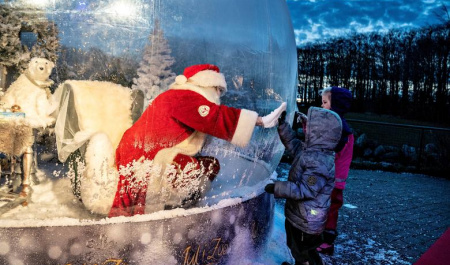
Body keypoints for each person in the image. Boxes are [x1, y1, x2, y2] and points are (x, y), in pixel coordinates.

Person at [109, 64, 286, 217]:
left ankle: (161, 209)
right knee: (136, 194)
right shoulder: (185, 97)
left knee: (208, 165)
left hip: (138, 147)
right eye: (217, 89)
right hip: (143, 151)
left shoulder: (179, 96)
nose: (218, 95)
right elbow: (214, 117)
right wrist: (260, 121)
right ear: (206, 84)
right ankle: (142, 222)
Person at [265, 106, 342, 265]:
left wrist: (277, 187)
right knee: (298, 248)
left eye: (309, 127)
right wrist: (283, 126)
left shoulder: (319, 163)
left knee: (302, 251)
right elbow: (293, 144)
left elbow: (305, 190)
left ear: (320, 135)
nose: (304, 128)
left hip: (306, 221)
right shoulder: (310, 152)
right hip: (300, 215)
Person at [316, 86, 354, 255]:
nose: (322, 106)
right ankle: (321, 237)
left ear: (335, 106)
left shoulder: (341, 131)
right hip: (332, 178)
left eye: (325, 102)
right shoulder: (338, 127)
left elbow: (329, 151)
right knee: (326, 207)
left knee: (329, 209)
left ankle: (327, 242)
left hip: (333, 180)